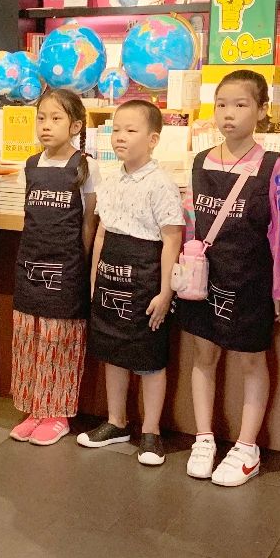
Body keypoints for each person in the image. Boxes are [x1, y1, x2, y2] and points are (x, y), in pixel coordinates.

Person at [178, 70, 280, 486]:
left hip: (251, 279)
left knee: (251, 360)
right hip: (202, 278)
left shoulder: (272, 166)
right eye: (222, 104)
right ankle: (204, 437)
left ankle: (247, 447)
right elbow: (191, 221)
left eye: (241, 105)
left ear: (262, 111)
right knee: (203, 355)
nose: (228, 113)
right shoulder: (200, 160)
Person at [77, 100, 184, 466]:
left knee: (149, 357)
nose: (120, 137)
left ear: (153, 139)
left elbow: (172, 238)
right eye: (116, 129)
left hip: (146, 278)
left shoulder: (161, 184)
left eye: (131, 130)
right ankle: (116, 421)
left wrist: (166, 291)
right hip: (110, 277)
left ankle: (151, 432)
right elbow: (102, 233)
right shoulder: (109, 179)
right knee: (112, 351)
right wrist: (94, 280)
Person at [9, 88, 99, 447]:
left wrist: (80, 265)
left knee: (59, 340)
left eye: (56, 118)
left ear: (75, 125)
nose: (46, 126)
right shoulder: (31, 164)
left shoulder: (85, 166)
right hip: (29, 263)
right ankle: (34, 408)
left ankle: (57, 413)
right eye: (41, 118)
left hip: (67, 269)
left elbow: (89, 223)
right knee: (28, 337)